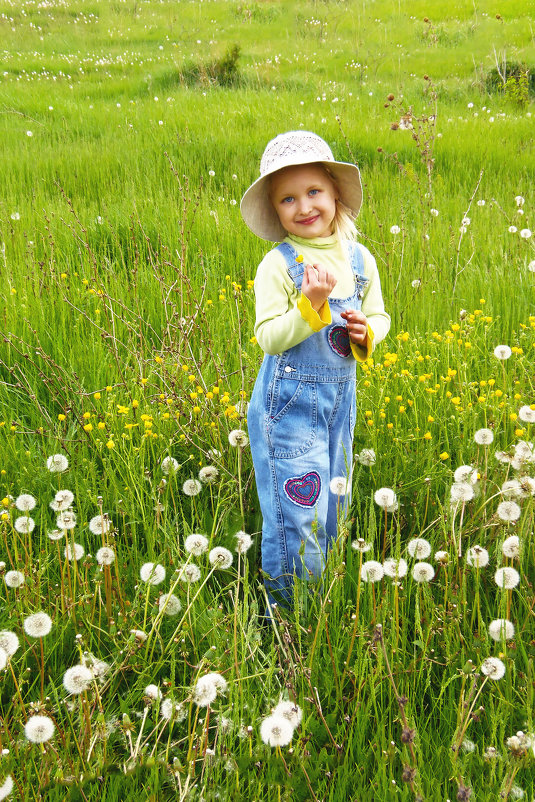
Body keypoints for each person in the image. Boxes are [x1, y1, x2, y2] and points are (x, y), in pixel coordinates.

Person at [240, 130, 390, 608]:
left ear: (335, 194)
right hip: (288, 409)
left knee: (333, 504)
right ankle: (288, 622)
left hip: (338, 406)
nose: (303, 206)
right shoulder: (279, 265)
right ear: (275, 210)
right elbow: (268, 337)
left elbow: (379, 315)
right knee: (295, 513)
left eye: (313, 192)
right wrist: (310, 304)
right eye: (287, 198)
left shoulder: (360, 260)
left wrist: (368, 334)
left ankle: (322, 603)